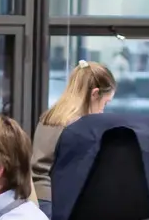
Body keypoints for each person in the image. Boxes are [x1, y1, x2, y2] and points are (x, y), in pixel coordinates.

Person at [32, 60, 113, 205]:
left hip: (36, 196)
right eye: (105, 103)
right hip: (56, 202)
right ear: (95, 94)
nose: (102, 111)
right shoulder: (77, 128)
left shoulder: (50, 116)